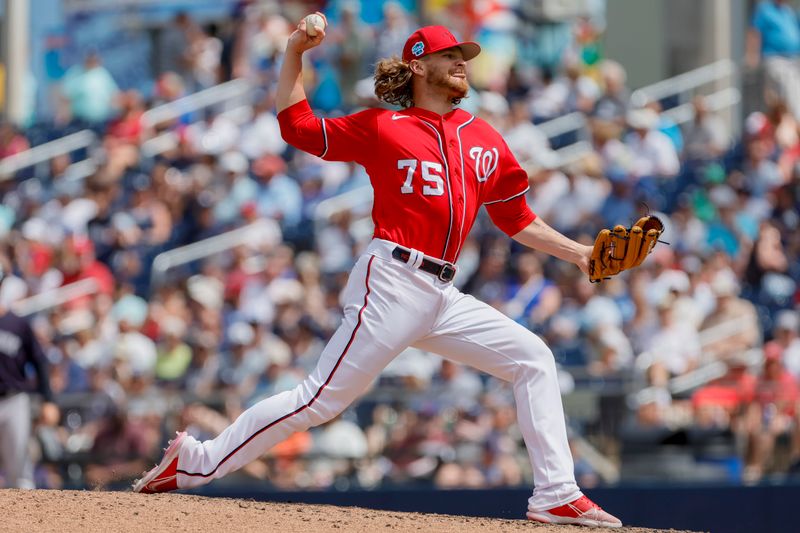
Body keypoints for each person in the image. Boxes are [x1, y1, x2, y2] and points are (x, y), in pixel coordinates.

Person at [134, 15, 622, 528]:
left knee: (534, 359)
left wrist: (581, 254)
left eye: (464, 57)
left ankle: (556, 492)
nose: (462, 63)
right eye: (449, 55)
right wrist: (295, 53)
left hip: (444, 293)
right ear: (418, 65)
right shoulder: (382, 127)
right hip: (393, 279)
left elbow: (515, 218)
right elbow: (297, 127)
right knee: (318, 401)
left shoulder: (483, 138)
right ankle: (197, 462)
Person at [0, 270, 59, 488]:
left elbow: (40, 362)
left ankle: (26, 521)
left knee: (20, 471)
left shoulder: (17, 324)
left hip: (13, 400)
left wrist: (49, 400)